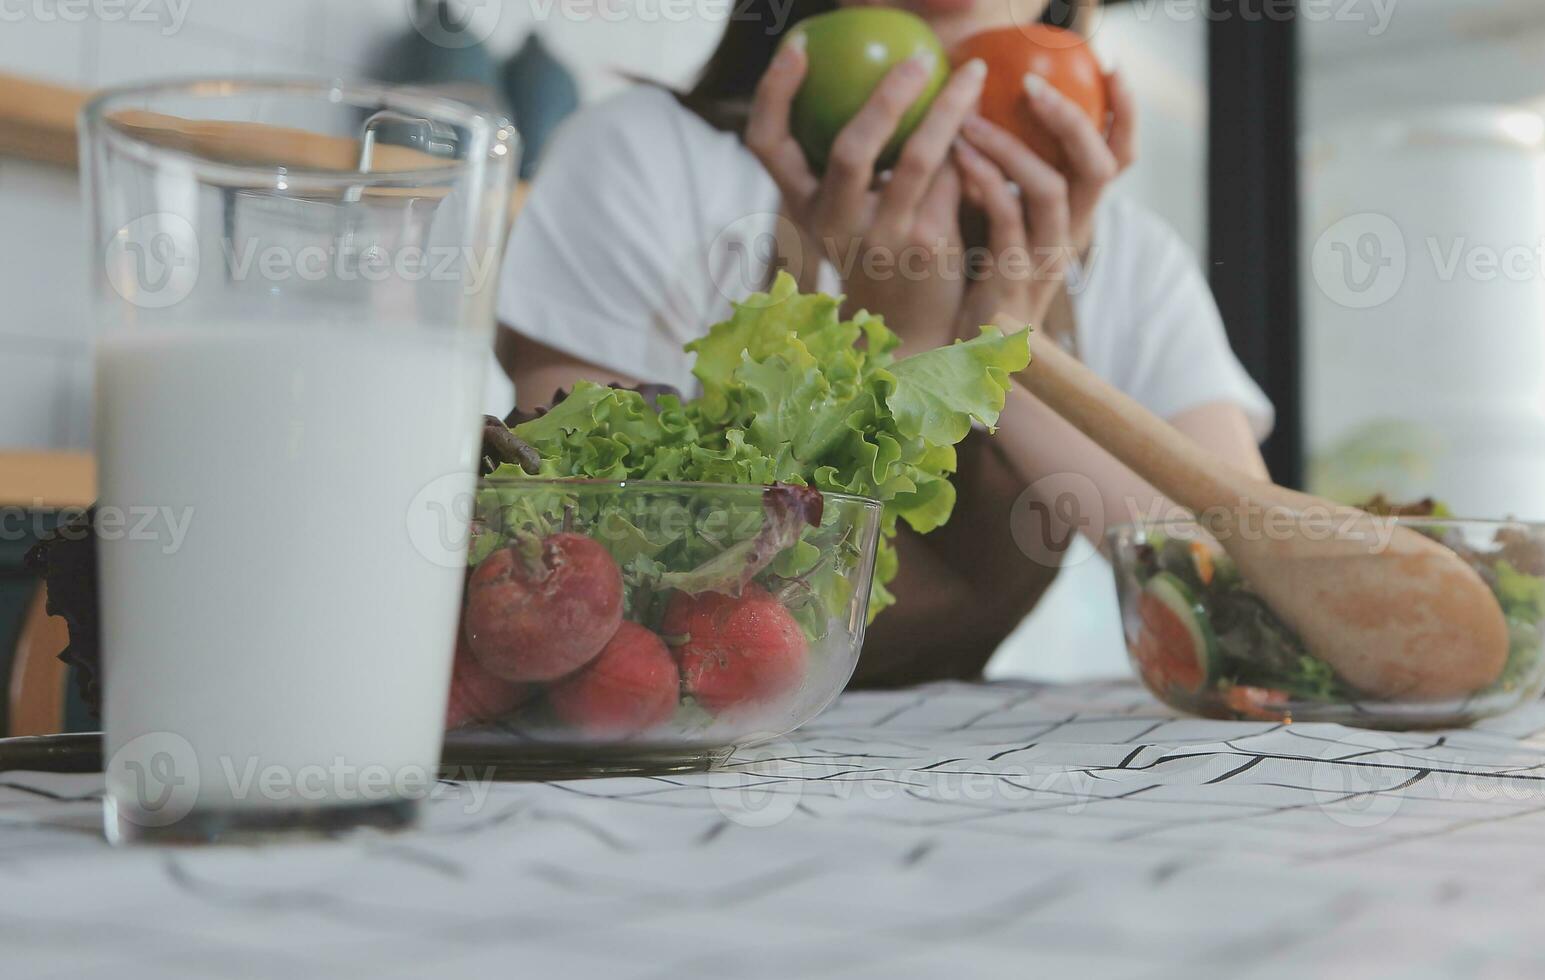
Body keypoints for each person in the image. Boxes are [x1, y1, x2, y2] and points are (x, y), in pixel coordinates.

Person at [495, 0, 1271, 684]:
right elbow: (569, 581)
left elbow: (1255, 600)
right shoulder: (642, 162)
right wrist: (891, 343)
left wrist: (1002, 353)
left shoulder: (1132, 258)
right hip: (679, 765)